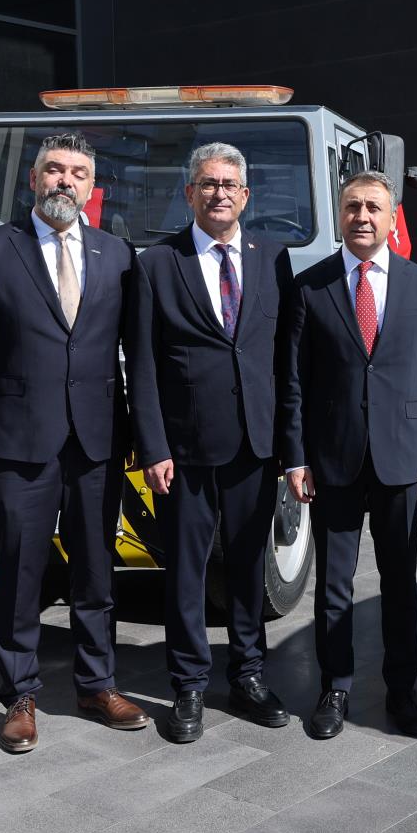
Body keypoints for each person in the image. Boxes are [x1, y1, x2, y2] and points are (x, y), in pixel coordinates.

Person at [0, 132, 146, 752]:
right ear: (34, 180)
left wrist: (141, 435)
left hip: (96, 440)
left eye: (78, 173)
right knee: (19, 571)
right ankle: (19, 694)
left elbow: (138, 354)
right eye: (55, 170)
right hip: (15, 442)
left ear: (92, 187)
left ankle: (97, 684)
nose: (66, 180)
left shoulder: (118, 254)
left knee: (96, 570)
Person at [128, 142, 298, 743]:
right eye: (207, 183)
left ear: (245, 196)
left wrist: (291, 447)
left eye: (229, 184)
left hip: (256, 443)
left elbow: (285, 359)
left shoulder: (273, 258)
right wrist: (152, 447)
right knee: (186, 570)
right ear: (189, 193)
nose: (219, 193)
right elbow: (142, 364)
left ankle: (248, 675)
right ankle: (189, 684)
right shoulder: (156, 263)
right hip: (184, 450)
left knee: (250, 565)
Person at [282, 170, 417, 740]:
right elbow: (294, 381)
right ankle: (335, 687)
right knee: (334, 585)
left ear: (391, 216)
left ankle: (402, 689)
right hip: (333, 457)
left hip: (402, 457)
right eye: (352, 206)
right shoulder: (310, 286)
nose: (362, 216)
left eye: (373, 207)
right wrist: (295, 457)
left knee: (401, 582)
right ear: (340, 213)